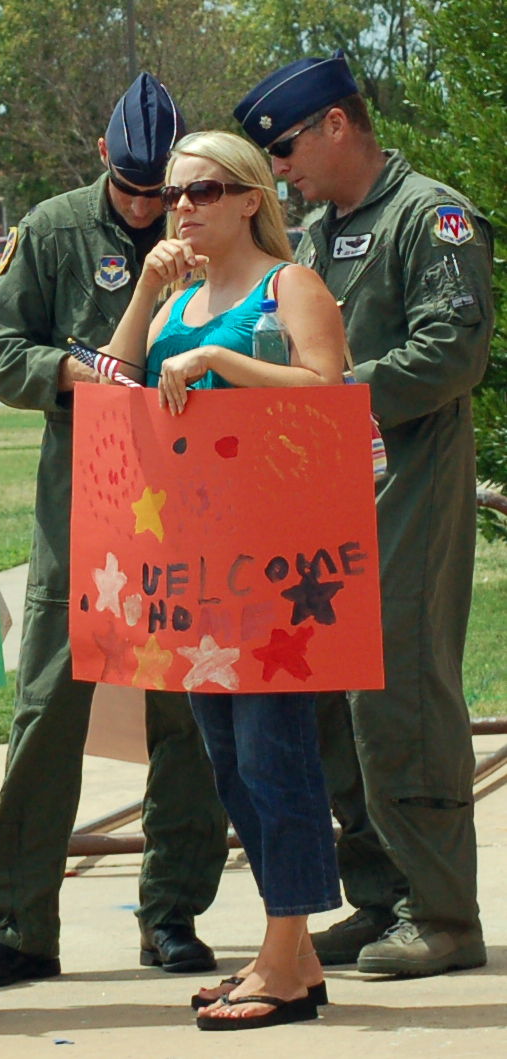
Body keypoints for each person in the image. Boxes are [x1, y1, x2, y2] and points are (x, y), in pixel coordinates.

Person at [0, 73, 228, 992]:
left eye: (170, 191)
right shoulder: (54, 227)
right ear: (104, 161)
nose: (156, 206)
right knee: (43, 713)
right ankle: (21, 925)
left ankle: (173, 915)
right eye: (138, 188)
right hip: (83, 502)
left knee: (184, 713)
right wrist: (79, 376)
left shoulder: (212, 222)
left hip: (192, 507)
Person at [233, 51, 494, 976]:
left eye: (290, 147)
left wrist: (324, 397)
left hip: (409, 491)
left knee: (401, 700)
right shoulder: (315, 231)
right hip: (326, 498)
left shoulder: (431, 213)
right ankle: (380, 899)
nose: (282, 169)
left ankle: (443, 916)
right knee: (332, 700)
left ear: (338, 125)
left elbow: (452, 352)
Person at [103, 130, 345, 1029]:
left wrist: (218, 362)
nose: (184, 209)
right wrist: (146, 293)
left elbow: (328, 389)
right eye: (172, 196)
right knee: (227, 762)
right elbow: (116, 384)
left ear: (249, 197)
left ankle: (284, 960)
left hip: (276, 561)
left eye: (203, 191)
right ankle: (294, 952)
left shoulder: (291, 286)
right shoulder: (177, 300)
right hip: (194, 564)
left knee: (272, 756)